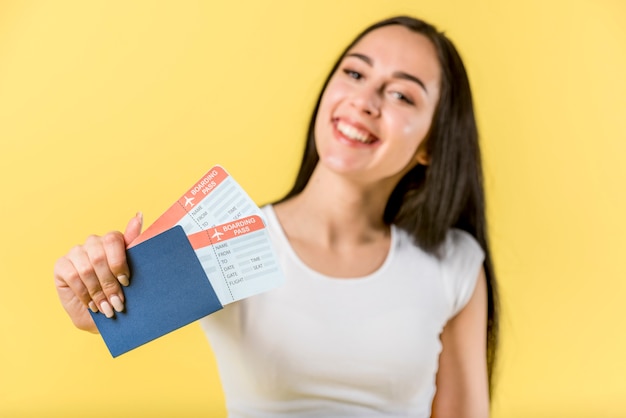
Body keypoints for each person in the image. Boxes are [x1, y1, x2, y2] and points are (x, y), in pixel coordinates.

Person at [54, 15, 499, 418]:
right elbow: (103, 315)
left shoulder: (455, 263)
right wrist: (90, 286)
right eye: (355, 73)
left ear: (430, 145)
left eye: (401, 94)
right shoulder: (225, 243)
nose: (365, 100)